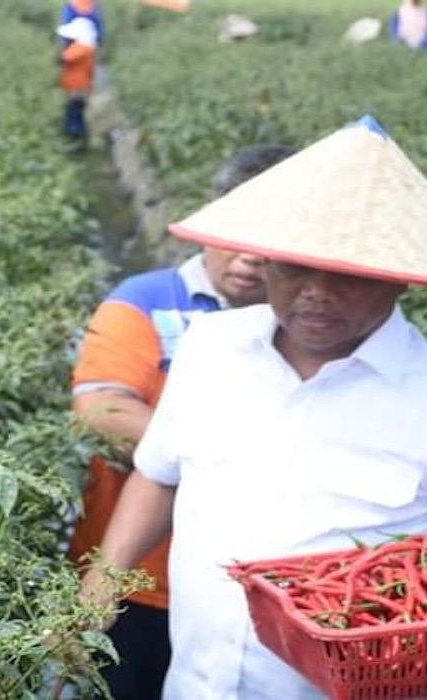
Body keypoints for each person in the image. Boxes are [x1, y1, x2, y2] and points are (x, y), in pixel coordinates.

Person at [80, 115, 427, 698]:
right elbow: (160, 475)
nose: (316, 290)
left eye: (345, 272)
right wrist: (98, 588)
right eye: (293, 265)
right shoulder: (212, 349)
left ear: (401, 278)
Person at [69, 144, 298, 699]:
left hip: (262, 594)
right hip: (142, 583)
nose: (249, 258)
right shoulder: (144, 301)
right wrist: (231, 458)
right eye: (236, 236)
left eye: (268, 243)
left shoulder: (312, 330)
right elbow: (102, 410)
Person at [57, 18, 98, 142]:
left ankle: (75, 137)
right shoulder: (87, 46)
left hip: (77, 86)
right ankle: (78, 136)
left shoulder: (82, 47)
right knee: (77, 110)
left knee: (75, 111)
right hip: (81, 84)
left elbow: (64, 58)